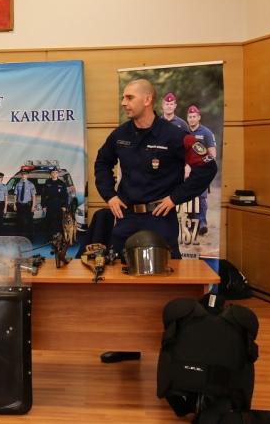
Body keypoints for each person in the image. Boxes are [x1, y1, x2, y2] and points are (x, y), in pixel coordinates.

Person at [94, 79, 217, 364]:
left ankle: (177, 347)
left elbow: (206, 167)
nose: (124, 103)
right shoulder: (120, 135)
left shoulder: (175, 135)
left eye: (129, 97)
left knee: (168, 285)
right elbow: (102, 163)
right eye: (123, 98)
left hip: (160, 219)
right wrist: (109, 195)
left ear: (147, 100)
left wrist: (176, 198)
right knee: (121, 283)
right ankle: (127, 346)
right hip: (126, 218)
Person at [186, 105, 218, 236]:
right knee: (187, 199)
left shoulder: (206, 132)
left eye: (194, 116)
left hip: (201, 170)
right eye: (190, 117)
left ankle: (202, 224)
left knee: (201, 198)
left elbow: (213, 155)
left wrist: (199, 165)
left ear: (199, 117)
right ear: (187, 118)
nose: (192, 119)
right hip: (186, 171)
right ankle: (190, 226)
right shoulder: (184, 132)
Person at [41, 167, 69, 242]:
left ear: (58, 174)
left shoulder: (62, 183)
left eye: (56, 173)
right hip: (50, 204)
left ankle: (59, 239)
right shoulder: (47, 183)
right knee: (49, 222)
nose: (54, 174)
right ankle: (49, 239)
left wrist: (64, 206)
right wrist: (44, 206)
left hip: (59, 204)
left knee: (59, 222)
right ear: (51, 174)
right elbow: (43, 195)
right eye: (53, 172)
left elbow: (65, 196)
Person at [13, 170, 37, 242]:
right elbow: (16, 195)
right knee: (19, 222)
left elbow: (33, 196)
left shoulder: (31, 185)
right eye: (23, 174)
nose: (24, 176)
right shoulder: (18, 184)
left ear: (27, 176)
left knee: (30, 222)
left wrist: (33, 206)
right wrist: (15, 204)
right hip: (20, 205)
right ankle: (19, 238)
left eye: (25, 174)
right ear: (21, 176)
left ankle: (31, 238)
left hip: (27, 205)